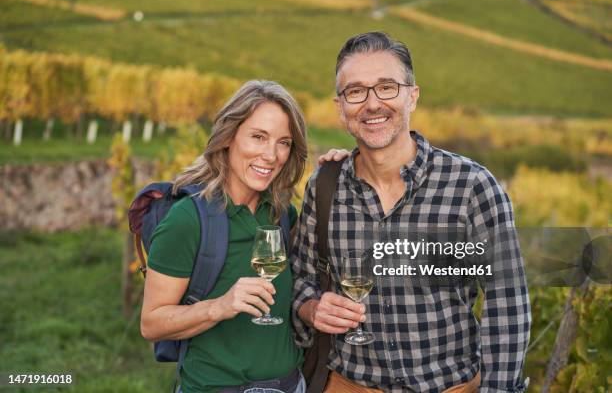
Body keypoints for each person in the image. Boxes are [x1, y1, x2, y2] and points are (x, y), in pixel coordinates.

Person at [291, 32, 531, 392]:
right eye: (356, 91)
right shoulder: (324, 187)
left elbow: (507, 305)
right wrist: (311, 308)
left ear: (412, 96)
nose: (372, 104)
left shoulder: (471, 187)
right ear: (341, 107)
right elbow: (299, 279)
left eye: (387, 87)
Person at [140, 80, 346, 393]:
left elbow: (316, 259)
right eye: (258, 137)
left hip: (291, 386)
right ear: (228, 137)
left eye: (284, 142)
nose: (271, 155)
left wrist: (342, 174)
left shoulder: (280, 212)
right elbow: (151, 323)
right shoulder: (187, 219)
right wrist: (219, 306)